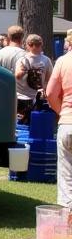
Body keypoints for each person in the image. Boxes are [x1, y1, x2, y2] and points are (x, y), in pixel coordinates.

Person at [46, 44, 72, 206]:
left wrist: (61, 112)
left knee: (66, 179)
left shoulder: (63, 61)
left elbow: (50, 93)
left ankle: (68, 223)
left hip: (67, 122)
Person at [16, 34, 54, 123]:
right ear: (41, 44)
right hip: (37, 98)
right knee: (36, 124)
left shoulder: (22, 59)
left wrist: (25, 70)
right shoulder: (46, 60)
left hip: (21, 98)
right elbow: (50, 79)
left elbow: (17, 76)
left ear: (27, 45)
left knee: (22, 126)